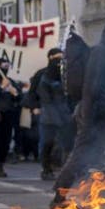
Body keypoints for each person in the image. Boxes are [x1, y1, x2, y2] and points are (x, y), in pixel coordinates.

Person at [52, 15, 105, 207]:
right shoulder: (101, 53)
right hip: (93, 114)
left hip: (101, 114)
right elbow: (92, 87)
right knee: (79, 158)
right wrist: (89, 119)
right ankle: (58, 197)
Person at [35, 48, 73, 180]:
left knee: (67, 143)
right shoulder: (44, 77)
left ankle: (66, 169)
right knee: (47, 143)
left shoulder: (66, 76)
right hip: (50, 117)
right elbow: (43, 97)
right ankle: (46, 168)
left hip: (63, 115)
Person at [0, 57, 22, 177]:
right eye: (3, 67)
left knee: (5, 141)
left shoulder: (10, 81)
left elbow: (19, 97)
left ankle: (0, 165)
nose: (5, 70)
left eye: (7, 67)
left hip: (9, 115)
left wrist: (15, 92)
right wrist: (1, 87)